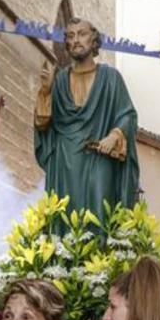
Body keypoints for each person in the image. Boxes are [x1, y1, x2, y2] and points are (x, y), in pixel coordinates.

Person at [34, 17, 139, 225]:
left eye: (81, 34)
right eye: (70, 36)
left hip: (99, 159)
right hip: (64, 162)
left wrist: (114, 135)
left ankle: (103, 258)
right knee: (63, 220)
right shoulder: (60, 80)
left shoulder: (111, 78)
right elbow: (43, 125)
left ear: (94, 40)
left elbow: (128, 115)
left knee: (100, 217)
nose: (76, 40)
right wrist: (45, 92)